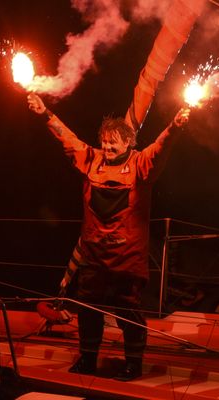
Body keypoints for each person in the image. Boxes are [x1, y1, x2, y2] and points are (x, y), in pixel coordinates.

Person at [27, 92, 190, 381]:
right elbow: (67, 139)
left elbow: (161, 148)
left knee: (128, 313)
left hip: (128, 257)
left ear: (129, 142)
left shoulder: (142, 166)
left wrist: (175, 125)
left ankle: (133, 364)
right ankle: (87, 359)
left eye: (114, 141)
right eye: (105, 140)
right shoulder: (90, 159)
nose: (107, 145)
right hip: (93, 256)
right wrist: (44, 113)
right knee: (88, 310)